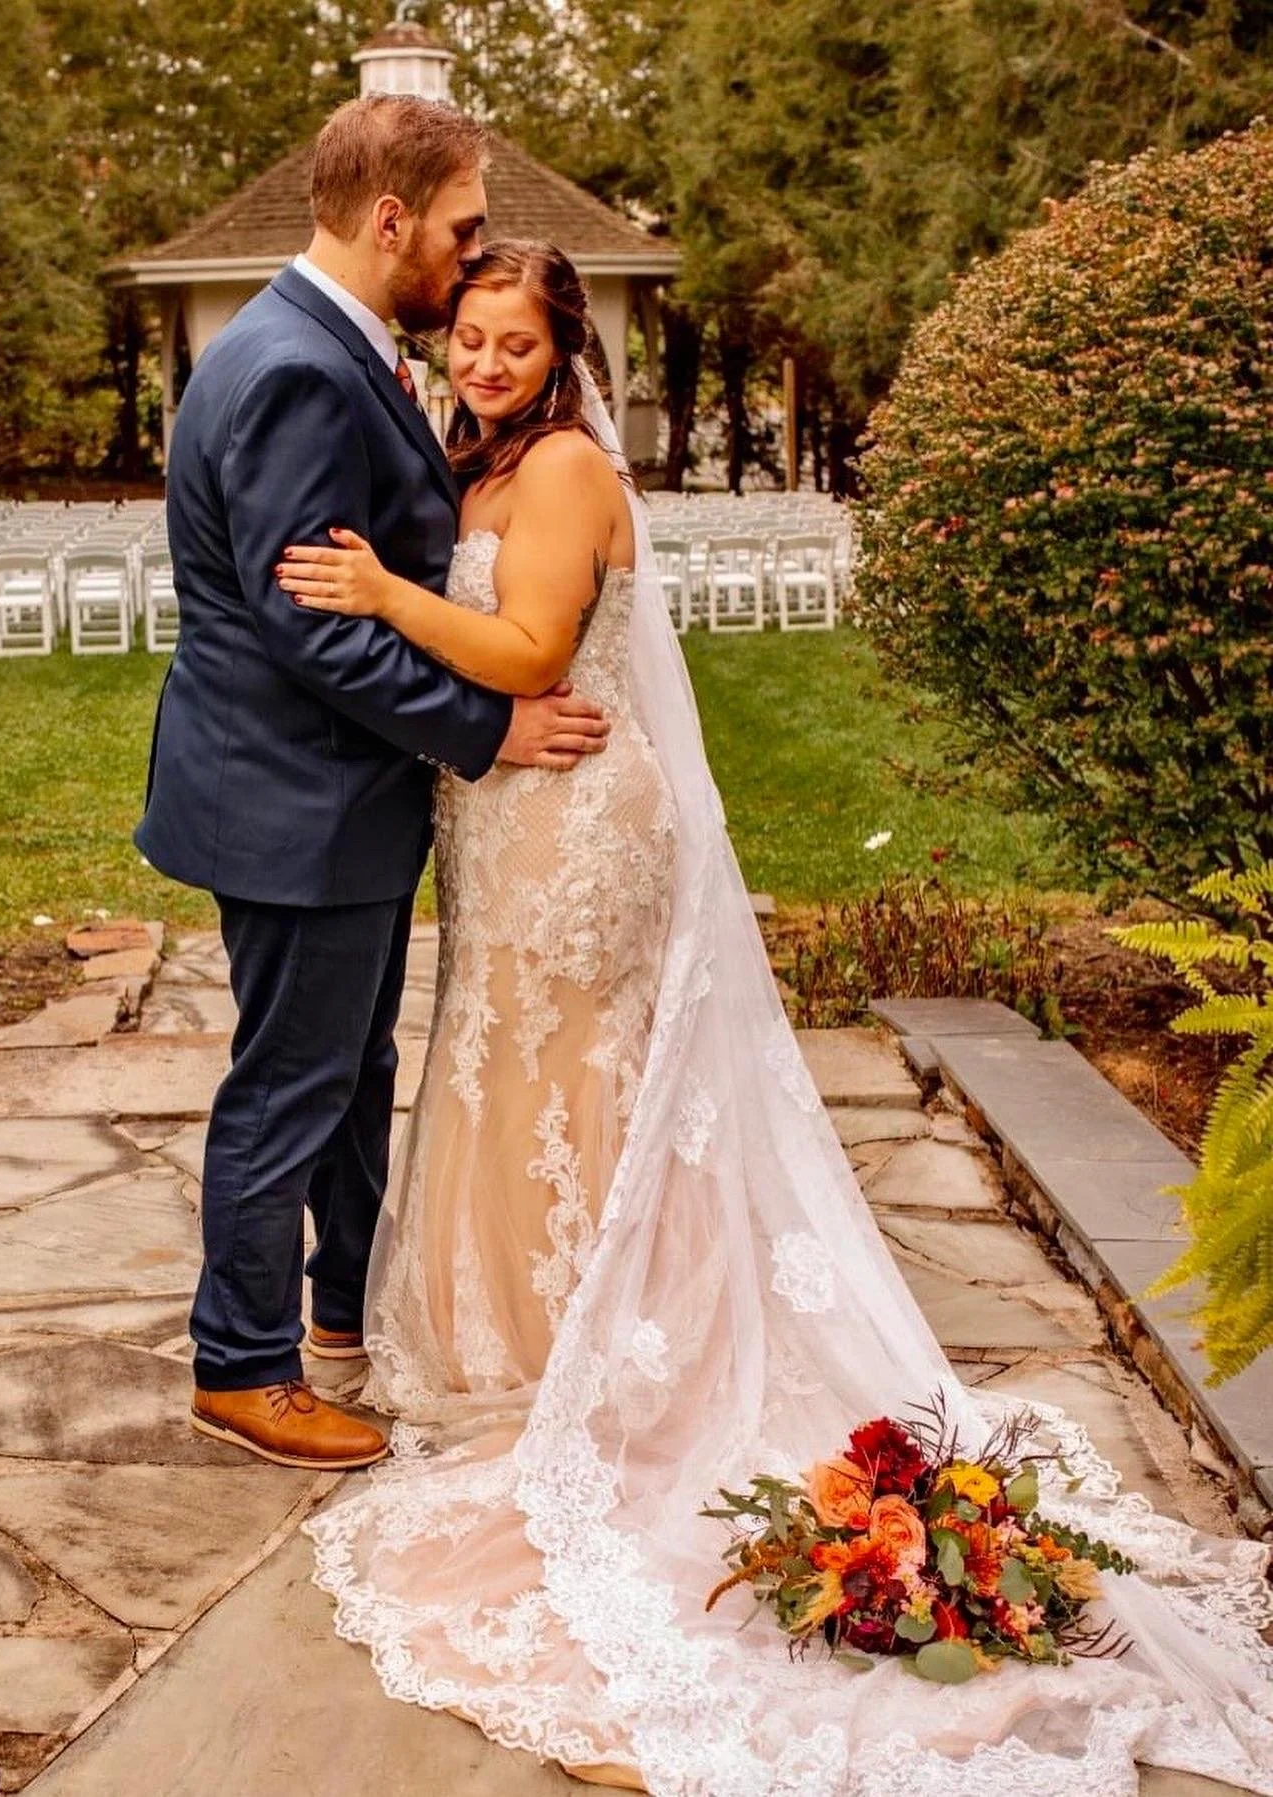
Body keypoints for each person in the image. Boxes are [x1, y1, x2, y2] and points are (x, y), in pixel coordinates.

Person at [283, 238, 1273, 1795]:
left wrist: (384, 594)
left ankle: (601, 1359)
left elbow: (536, 653)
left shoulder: (555, 482)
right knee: (517, 1073)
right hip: (509, 814)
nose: (482, 363)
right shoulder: (486, 460)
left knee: (568, 1084)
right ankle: (537, 1343)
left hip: (577, 826)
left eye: (513, 344)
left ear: (566, 355)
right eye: (467, 339)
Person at [134, 96, 610, 1476]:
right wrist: (487, 729)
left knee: (349, 1070)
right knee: (292, 1083)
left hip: (316, 795)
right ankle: (243, 1366)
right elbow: (310, 623)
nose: (471, 259)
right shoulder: (294, 366)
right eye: (460, 229)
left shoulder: (319, 345)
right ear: (390, 219)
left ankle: (344, 1309)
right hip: (300, 800)